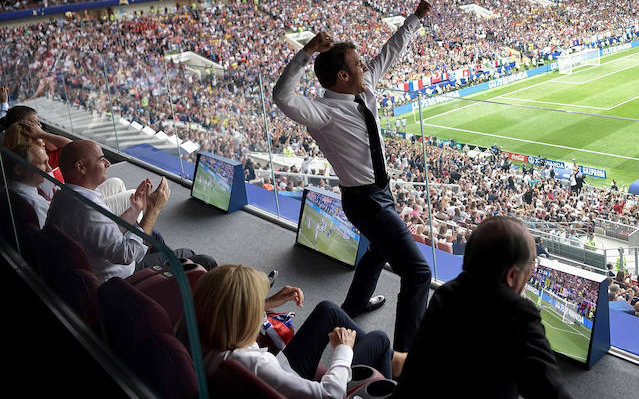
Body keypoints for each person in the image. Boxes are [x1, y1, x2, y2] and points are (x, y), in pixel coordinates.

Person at [273, 0, 433, 352]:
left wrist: (415, 19)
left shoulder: (364, 88)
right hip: (364, 201)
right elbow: (281, 96)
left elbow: (390, 52)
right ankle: (406, 357)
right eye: (359, 64)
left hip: (380, 192)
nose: (367, 66)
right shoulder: (323, 113)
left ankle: (356, 303)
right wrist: (305, 54)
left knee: (380, 249)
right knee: (419, 273)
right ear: (342, 76)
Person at [393, 216, 573, 399]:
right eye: (531, 265)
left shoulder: (445, 294)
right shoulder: (518, 315)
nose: (531, 272)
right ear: (511, 275)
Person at [196, 264, 405, 399]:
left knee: (328, 310)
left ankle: (392, 359)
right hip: (302, 383)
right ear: (243, 319)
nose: (264, 310)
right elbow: (330, 395)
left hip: (284, 369)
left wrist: (269, 301)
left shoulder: (205, 334)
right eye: (256, 304)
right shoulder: (257, 366)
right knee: (379, 339)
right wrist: (343, 350)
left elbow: (229, 312)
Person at [45, 140, 214, 281]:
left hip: (95, 267)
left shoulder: (63, 197)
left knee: (153, 235)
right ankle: (167, 278)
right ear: (81, 167)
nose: (108, 163)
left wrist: (137, 208)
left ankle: (168, 275)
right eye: (101, 159)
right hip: (120, 281)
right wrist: (153, 210)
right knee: (201, 259)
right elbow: (126, 255)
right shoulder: (88, 211)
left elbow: (105, 232)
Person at [4, 143, 53, 226]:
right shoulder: (35, 205)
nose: (49, 168)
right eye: (43, 163)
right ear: (18, 169)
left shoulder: (7, 190)